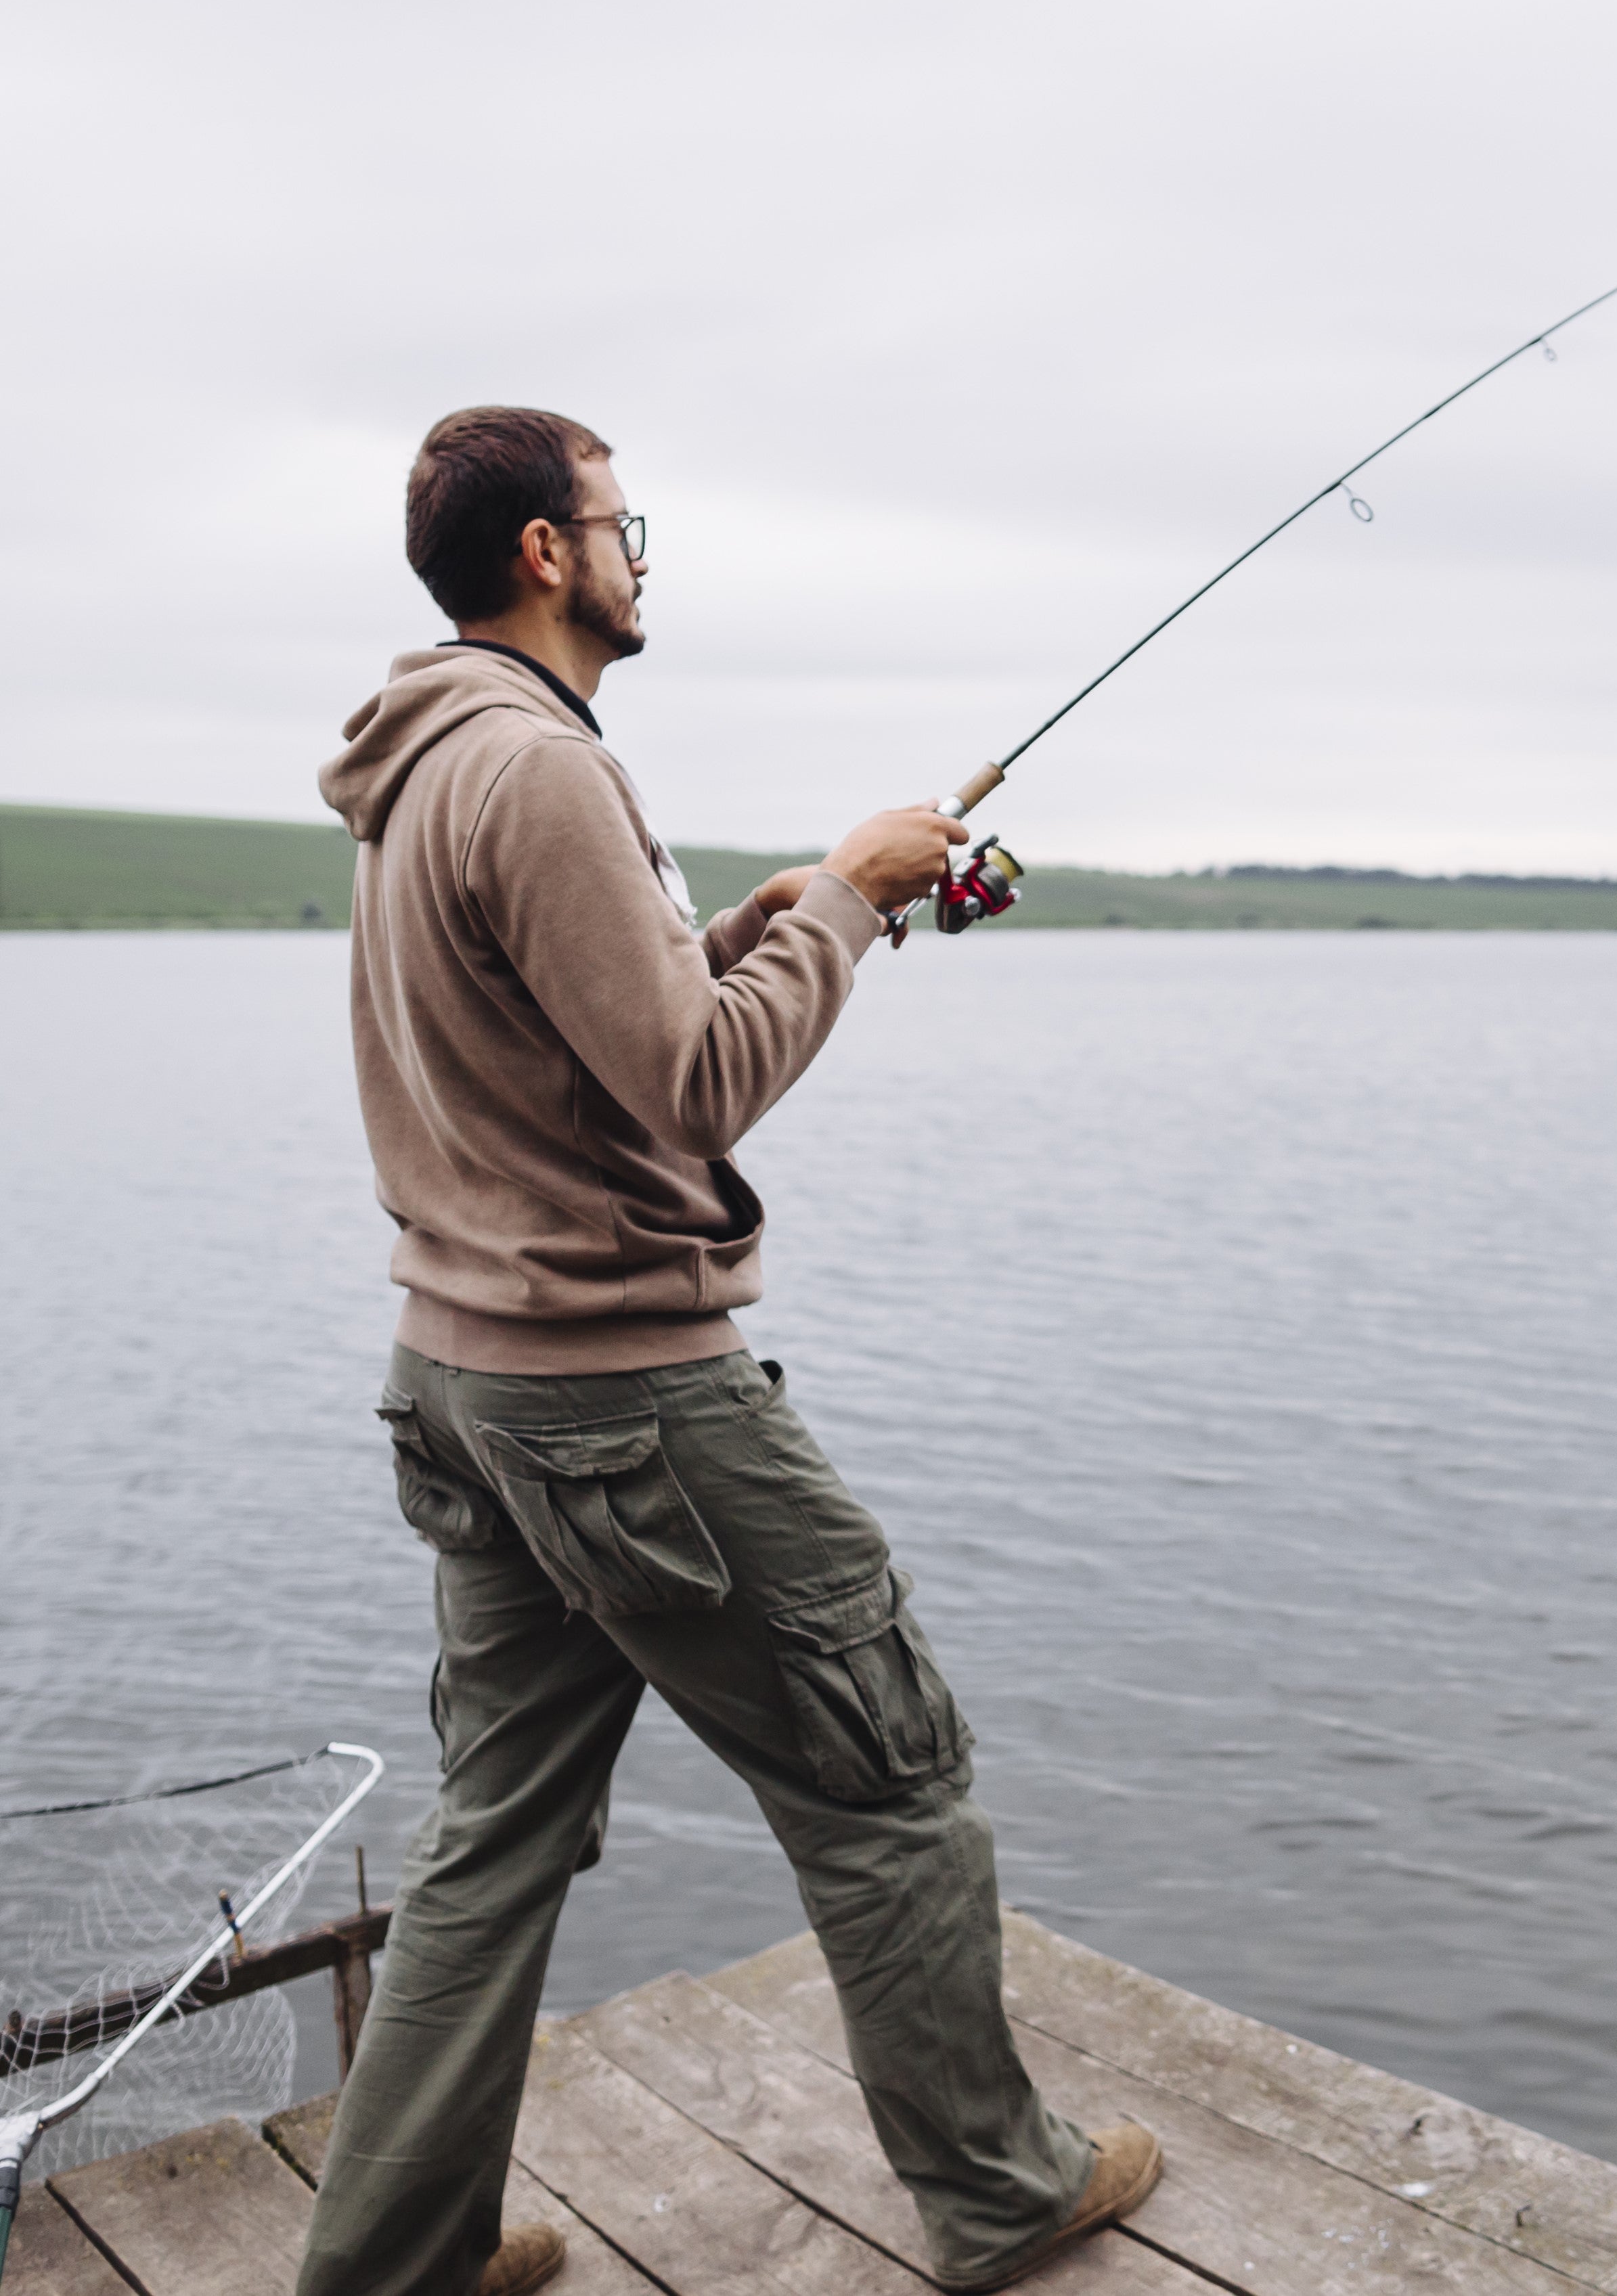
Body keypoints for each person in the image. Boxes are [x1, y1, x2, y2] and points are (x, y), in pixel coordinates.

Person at [302, 407, 1160, 2296]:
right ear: (546, 551)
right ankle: (1003, 2189)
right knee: (891, 1776)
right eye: (622, 523)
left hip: (467, 1379)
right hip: (616, 1398)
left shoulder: (433, 758)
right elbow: (689, 1091)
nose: (638, 553)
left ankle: (390, 2271)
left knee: (492, 1839)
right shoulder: (534, 768)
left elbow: (577, 1029)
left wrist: (757, 915)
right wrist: (854, 900)